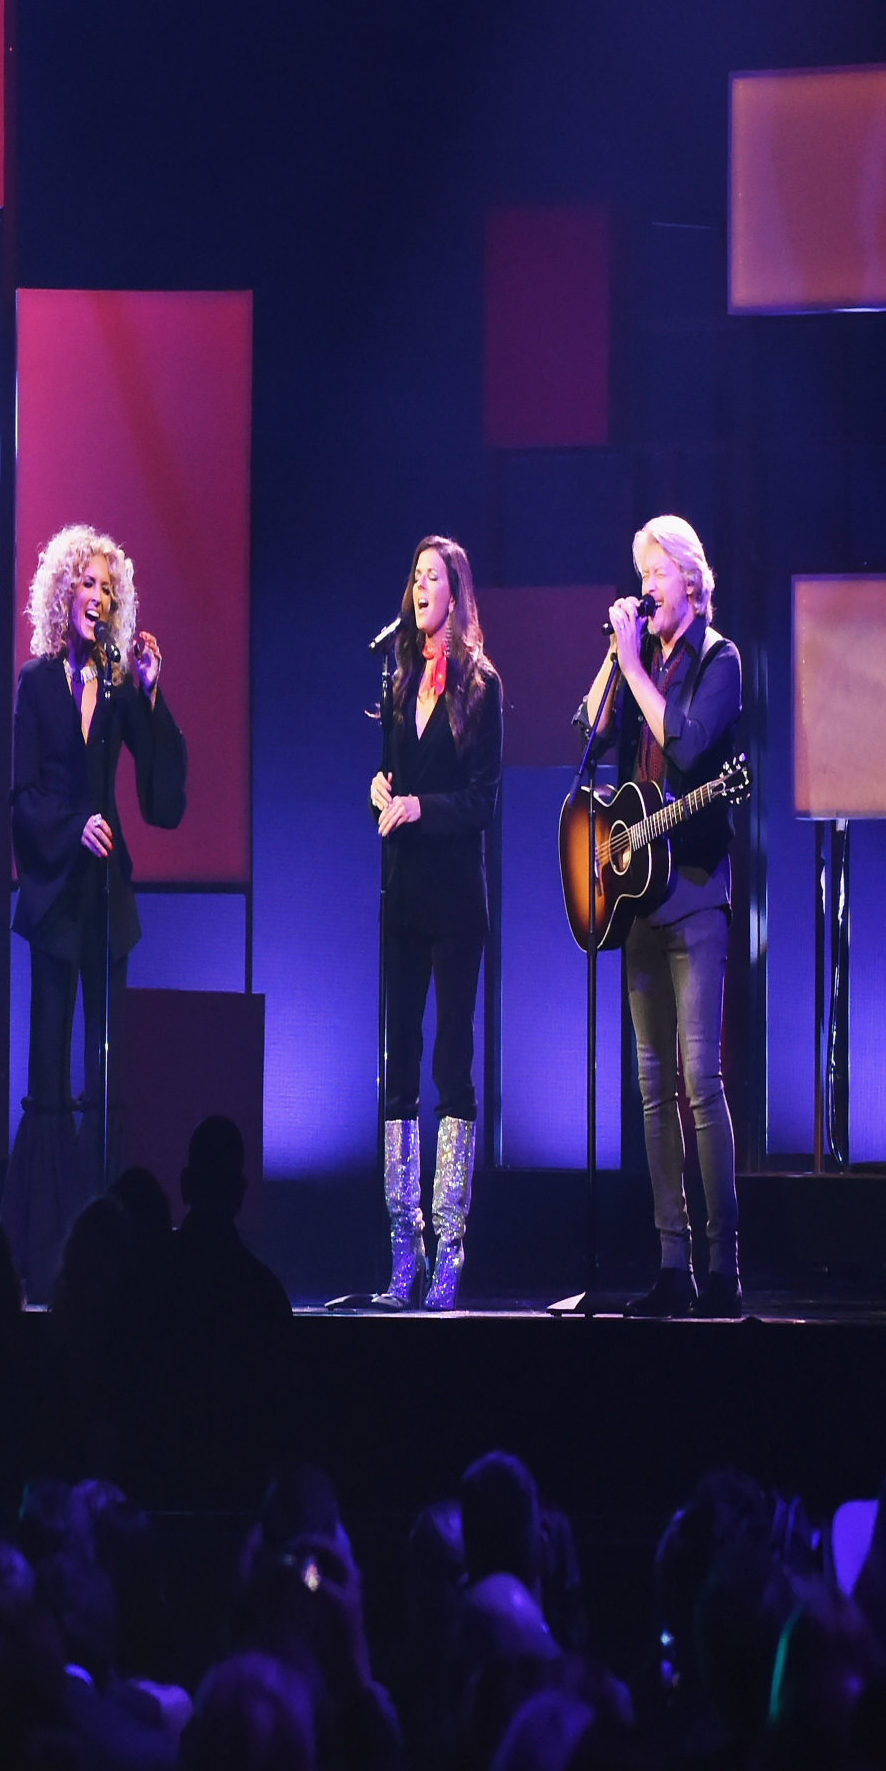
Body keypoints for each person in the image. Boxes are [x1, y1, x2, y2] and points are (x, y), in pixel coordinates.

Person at [0, 524, 186, 1296]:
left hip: (107, 902)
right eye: (89, 584)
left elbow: (162, 797)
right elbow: (21, 800)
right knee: (49, 1074)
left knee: (105, 1074)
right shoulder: (36, 684)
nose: (100, 598)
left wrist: (148, 691)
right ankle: (45, 1246)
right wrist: (70, 825)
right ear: (62, 592)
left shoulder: (115, 690)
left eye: (110, 589)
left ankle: (110, 1244)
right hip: (53, 899)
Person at [575, 514, 744, 1318]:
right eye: (640, 573)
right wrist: (617, 661)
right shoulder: (638, 659)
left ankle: (724, 1269)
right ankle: (671, 1264)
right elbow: (589, 731)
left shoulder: (720, 659)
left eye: (656, 573)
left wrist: (636, 666)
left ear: (689, 578)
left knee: (699, 1081)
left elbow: (683, 746)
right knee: (649, 1088)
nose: (645, 588)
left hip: (699, 892)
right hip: (638, 900)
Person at [368, 536, 502, 1311]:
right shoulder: (396, 683)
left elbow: (483, 801)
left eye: (433, 577)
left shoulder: (481, 688)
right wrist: (381, 793)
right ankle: (400, 1251)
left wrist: (423, 808)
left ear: (456, 592)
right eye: (414, 575)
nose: (420, 587)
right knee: (397, 1067)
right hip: (403, 897)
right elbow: (391, 781)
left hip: (456, 902)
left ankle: (449, 1252)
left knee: (452, 1065)